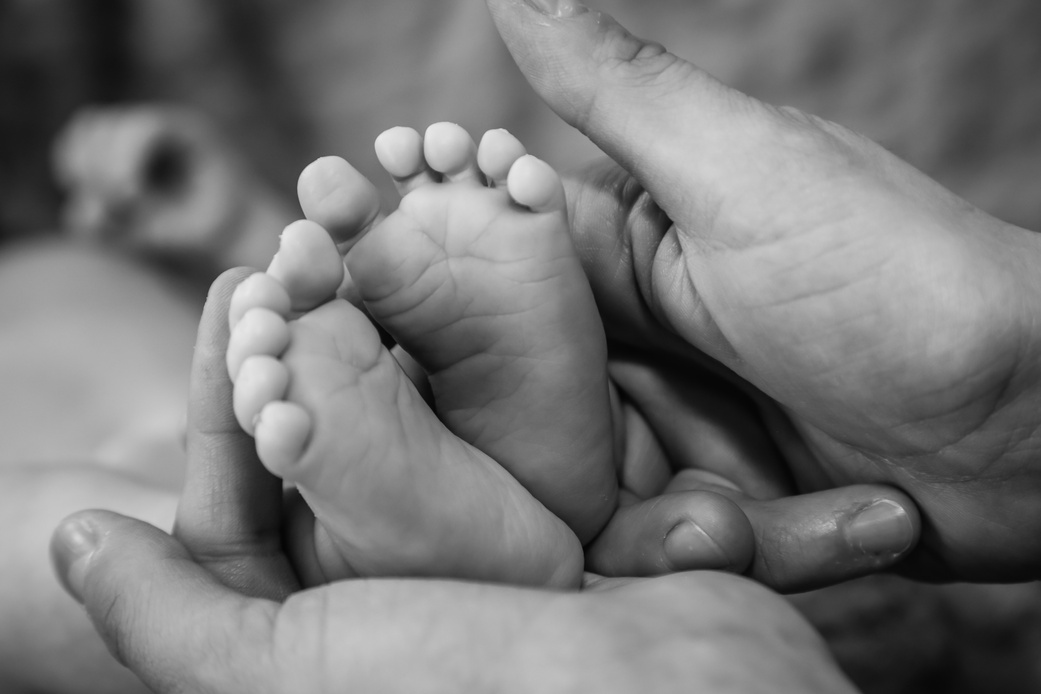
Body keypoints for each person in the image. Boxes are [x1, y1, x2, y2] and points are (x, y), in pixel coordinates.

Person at [50, 0, 1041, 691]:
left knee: (171, 447)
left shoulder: (64, 259)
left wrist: (236, 230)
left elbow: (269, 318)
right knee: (207, 413)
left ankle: (429, 508)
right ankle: (456, 503)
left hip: (158, 424)